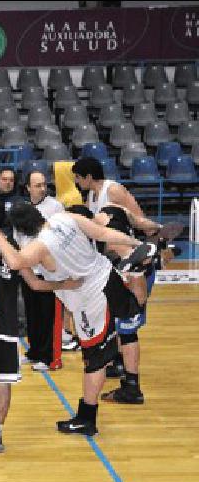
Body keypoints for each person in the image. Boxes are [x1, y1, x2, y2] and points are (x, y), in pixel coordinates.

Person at [0, 203, 152, 436]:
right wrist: (137, 243)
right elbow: (102, 233)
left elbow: (17, 263)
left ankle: (87, 419)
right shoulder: (64, 217)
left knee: (94, 360)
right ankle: (136, 269)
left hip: (90, 299)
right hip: (107, 274)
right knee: (131, 314)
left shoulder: (38, 247)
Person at [0, 199, 82, 453]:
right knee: (3, 382)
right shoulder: (13, 248)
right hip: (8, 324)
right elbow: (36, 284)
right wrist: (65, 285)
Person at [72, 157, 159, 403]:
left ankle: (132, 386)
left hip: (133, 264)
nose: (77, 183)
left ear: (88, 176)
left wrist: (151, 246)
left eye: (78, 178)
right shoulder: (91, 197)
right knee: (118, 320)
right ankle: (120, 363)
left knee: (128, 327)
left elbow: (139, 219)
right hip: (118, 264)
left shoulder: (114, 190)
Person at [18, 171, 69, 371]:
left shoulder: (55, 207)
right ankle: (35, 352)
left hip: (49, 272)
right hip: (28, 269)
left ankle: (51, 358)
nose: (42, 188)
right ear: (28, 187)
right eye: (37, 185)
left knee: (50, 316)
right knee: (33, 314)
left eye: (43, 184)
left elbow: (62, 235)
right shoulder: (22, 208)